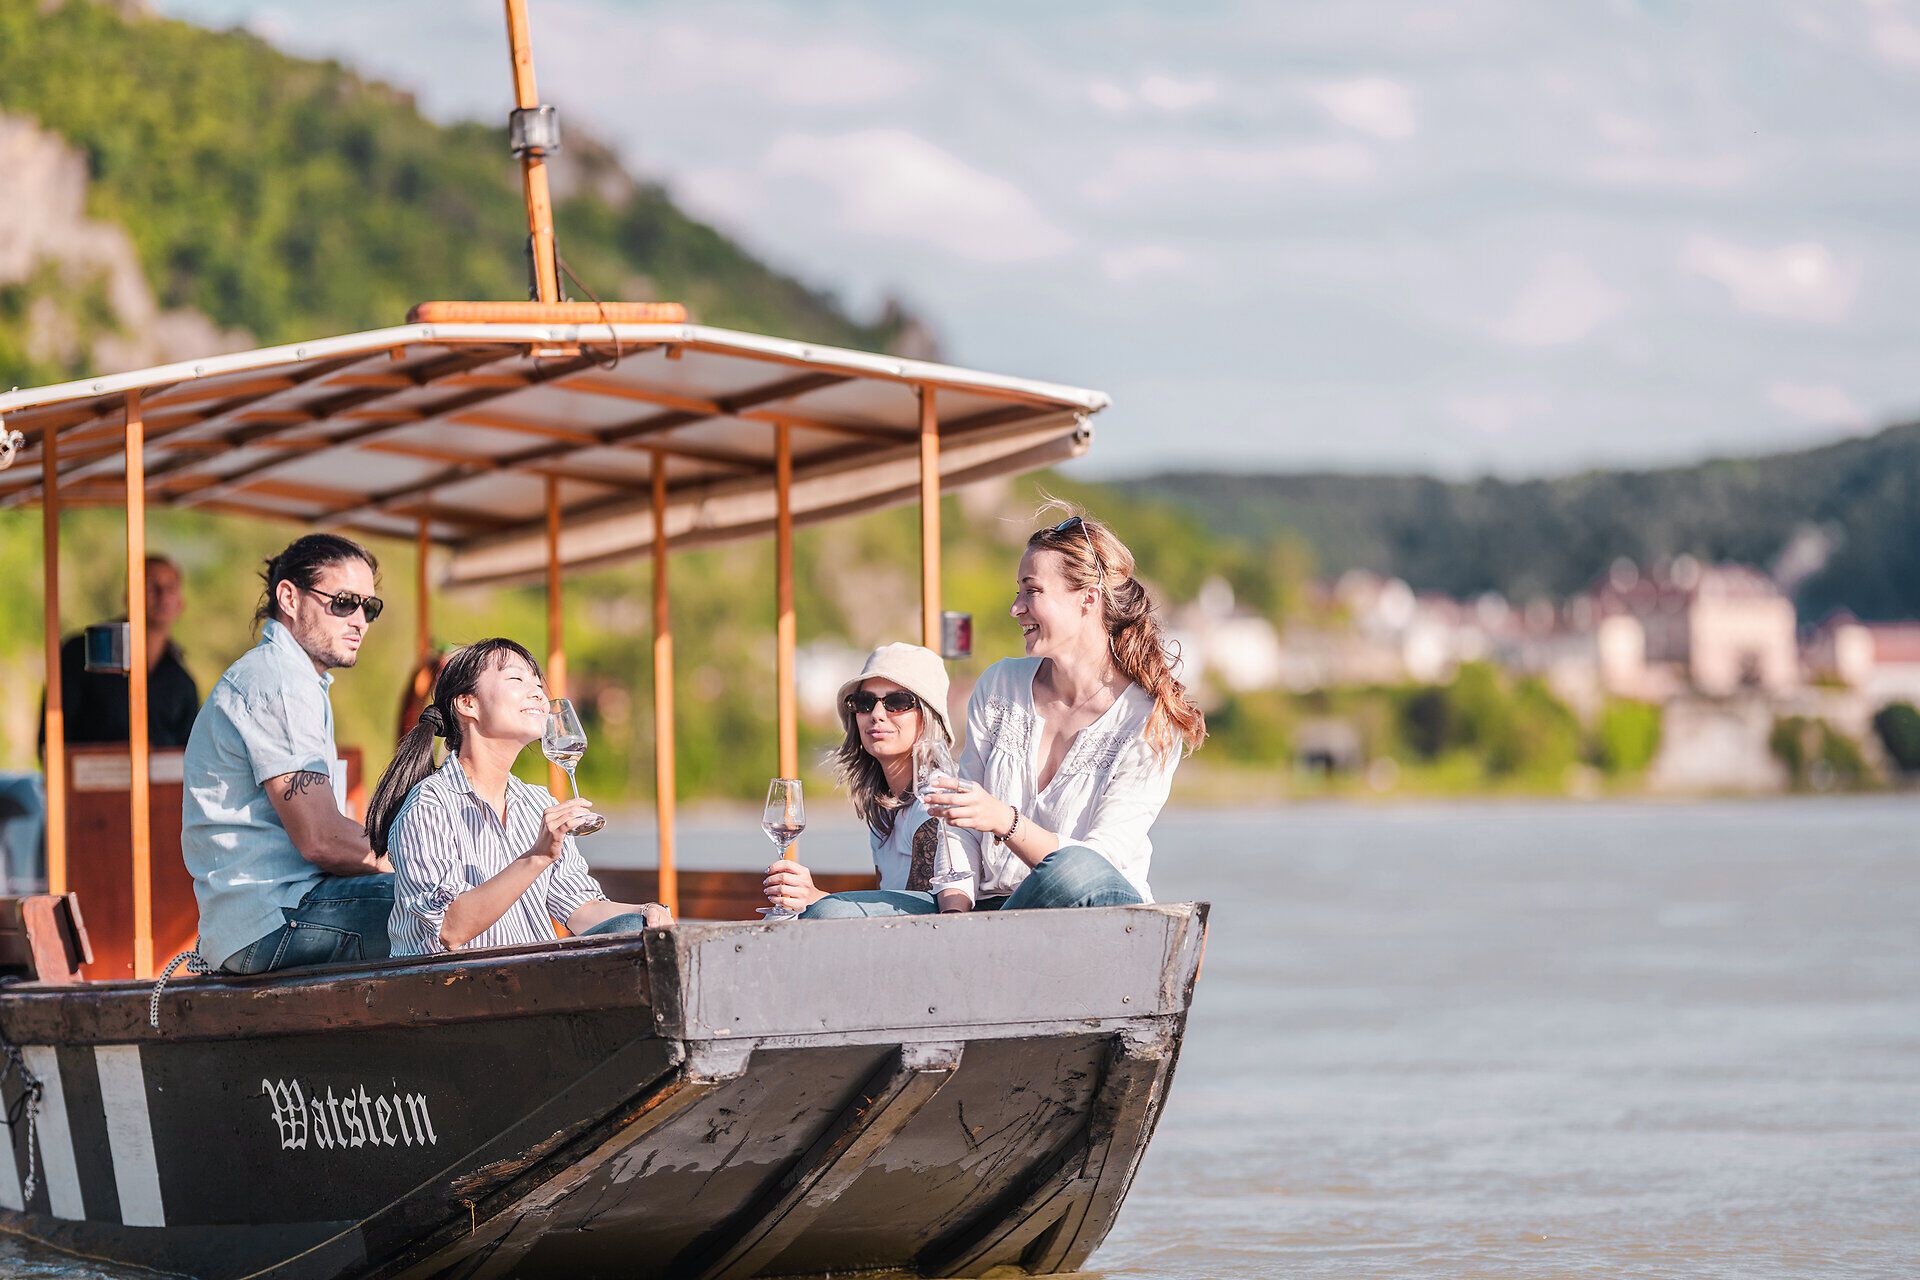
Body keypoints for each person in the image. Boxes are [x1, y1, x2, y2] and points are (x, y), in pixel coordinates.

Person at [925, 511, 1206, 911]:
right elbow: (959, 828)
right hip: (988, 911)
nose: (1015, 608)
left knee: (1074, 869)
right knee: (836, 911)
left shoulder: (1148, 720)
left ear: (1088, 598)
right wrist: (955, 918)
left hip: (1095, 917)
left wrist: (1006, 821)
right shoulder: (999, 684)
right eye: (1017, 592)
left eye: (1031, 591)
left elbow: (1097, 865)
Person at [366, 638, 671, 955]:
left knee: (641, 931)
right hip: (453, 993)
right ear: (468, 704)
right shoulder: (429, 805)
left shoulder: (538, 802)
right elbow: (450, 930)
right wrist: (537, 857)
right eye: (517, 679)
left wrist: (646, 912)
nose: (539, 693)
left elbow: (581, 910)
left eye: (538, 684)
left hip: (530, 986)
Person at [181, 534, 395, 974]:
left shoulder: (290, 678)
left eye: (369, 608)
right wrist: (423, 860)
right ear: (289, 598)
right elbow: (322, 839)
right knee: (448, 904)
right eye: (344, 603)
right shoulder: (277, 681)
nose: (360, 621)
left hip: (269, 917)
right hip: (273, 921)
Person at [761, 643, 970, 919]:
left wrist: (817, 898)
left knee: (820, 915)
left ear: (928, 716)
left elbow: (918, 914)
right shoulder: (885, 804)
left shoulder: (935, 801)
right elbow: (886, 903)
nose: (877, 714)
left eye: (897, 702)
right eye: (864, 703)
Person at [39, 555, 199, 751]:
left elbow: (192, 755)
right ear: (128, 596)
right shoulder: (83, 654)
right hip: (88, 778)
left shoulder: (181, 681)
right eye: (150, 586)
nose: (162, 595)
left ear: (181, 604)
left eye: (171, 588)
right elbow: (51, 742)